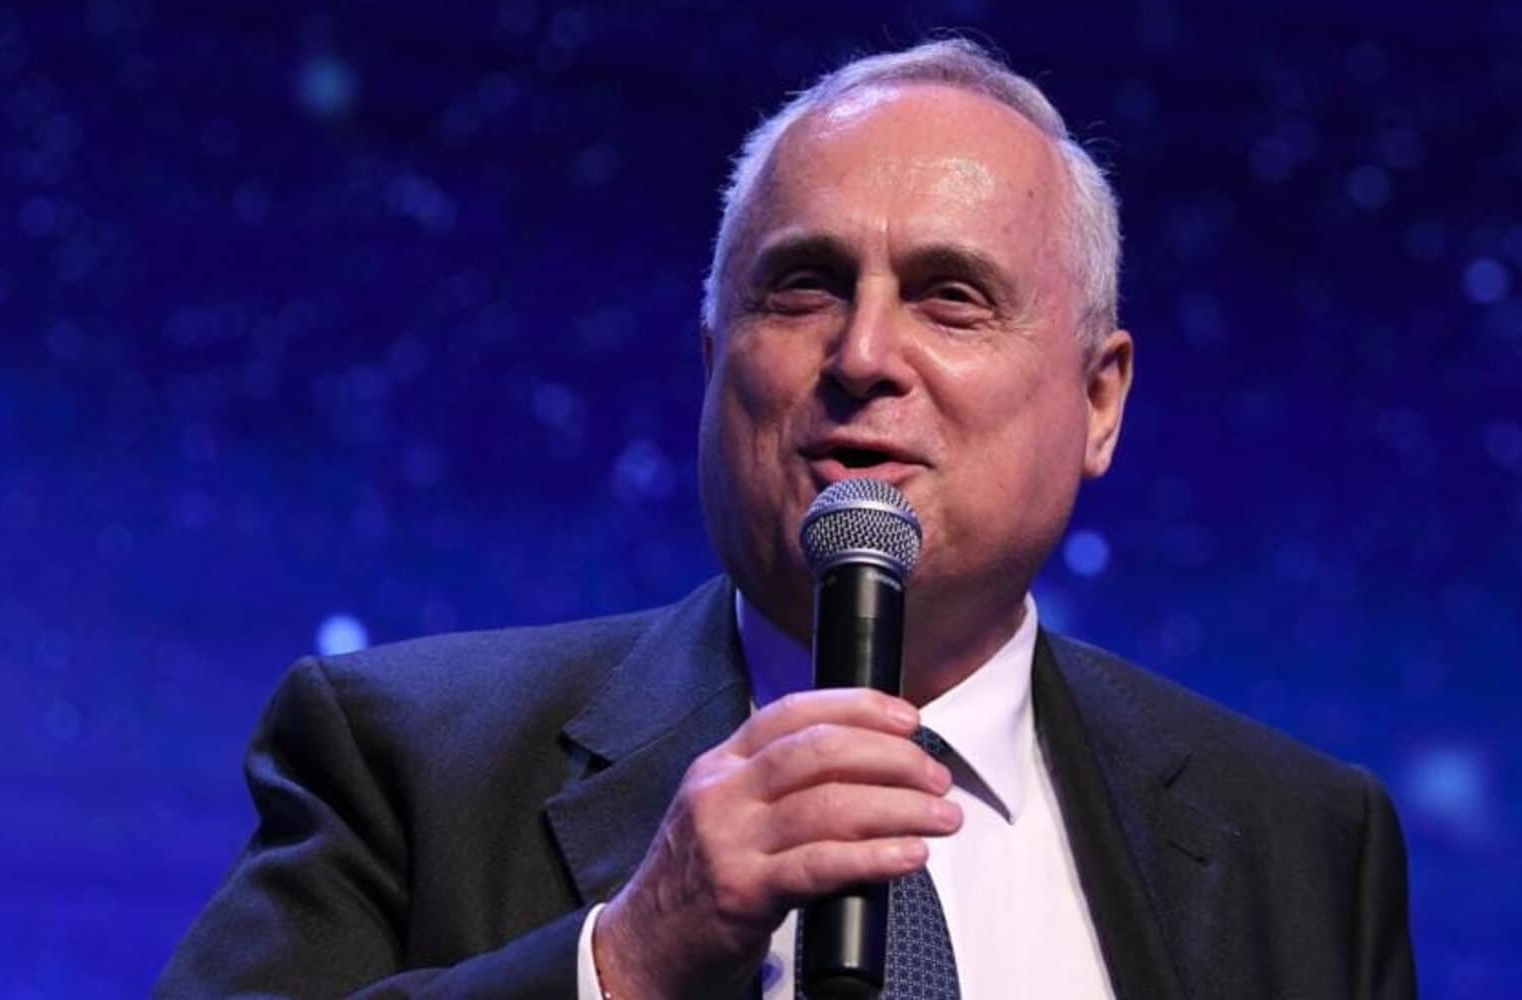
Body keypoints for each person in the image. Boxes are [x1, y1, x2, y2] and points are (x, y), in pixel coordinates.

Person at [159, 39, 1417, 999]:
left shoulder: (1302, 847)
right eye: (803, 288)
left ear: (1098, 401)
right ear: (714, 361)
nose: (862, 355)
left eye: (950, 298)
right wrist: (627, 960)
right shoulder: (407, 760)